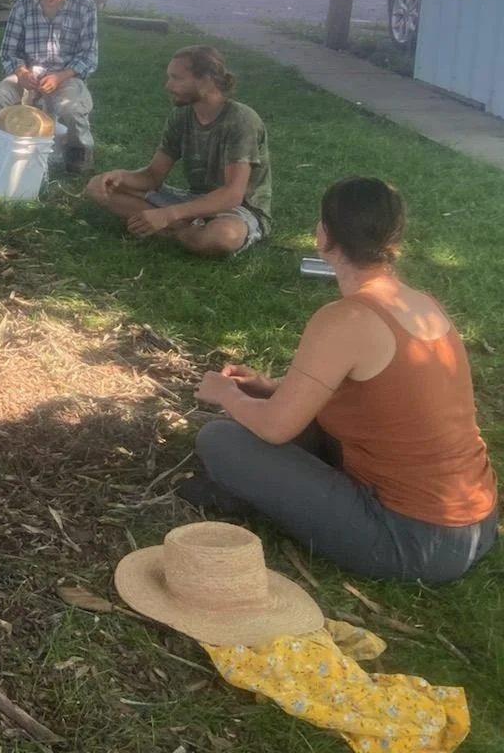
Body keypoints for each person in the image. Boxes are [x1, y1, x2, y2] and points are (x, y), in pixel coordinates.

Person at [184, 178, 497, 582]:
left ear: (324, 234)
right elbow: (374, 400)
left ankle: (246, 493)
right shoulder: (421, 305)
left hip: (413, 540)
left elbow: (276, 428)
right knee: (291, 423)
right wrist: (271, 388)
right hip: (476, 522)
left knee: (221, 439)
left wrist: (224, 392)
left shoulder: (344, 319)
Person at [85, 45, 270, 256]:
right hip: (191, 199)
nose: (168, 85)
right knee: (97, 187)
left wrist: (168, 215)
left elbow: (232, 194)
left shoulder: (241, 120)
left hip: (237, 209)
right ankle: (186, 232)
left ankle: (171, 229)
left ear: (206, 79)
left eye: (176, 78)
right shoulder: (181, 116)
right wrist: (120, 176)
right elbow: (153, 175)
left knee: (223, 236)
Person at [0, 0, 98, 174]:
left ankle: (78, 154)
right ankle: (4, 145)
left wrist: (60, 76)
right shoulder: (22, 7)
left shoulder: (84, 5)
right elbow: (8, 52)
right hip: (28, 75)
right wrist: (21, 72)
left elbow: (89, 55)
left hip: (66, 76)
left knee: (71, 109)